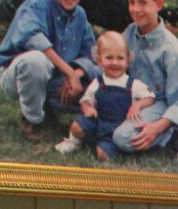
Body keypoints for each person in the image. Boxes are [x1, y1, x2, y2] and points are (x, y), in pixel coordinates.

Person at [0, 0, 100, 142]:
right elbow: (33, 39)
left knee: (102, 79)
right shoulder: (38, 3)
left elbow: (91, 56)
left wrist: (77, 73)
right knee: (36, 61)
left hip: (57, 78)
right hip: (16, 75)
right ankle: (33, 120)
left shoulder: (81, 16)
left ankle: (96, 122)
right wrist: (69, 72)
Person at [110, 0, 178, 156]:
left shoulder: (171, 51)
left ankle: (173, 132)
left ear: (158, 5)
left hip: (163, 101)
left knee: (122, 138)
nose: (135, 9)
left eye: (143, 2)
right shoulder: (131, 32)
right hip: (137, 98)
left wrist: (156, 128)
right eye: (131, 1)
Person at [55, 32, 156, 161]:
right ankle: (73, 142)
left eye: (120, 58)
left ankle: (112, 148)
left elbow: (150, 97)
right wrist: (87, 108)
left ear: (128, 59)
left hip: (117, 129)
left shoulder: (132, 84)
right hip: (98, 121)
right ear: (99, 60)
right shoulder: (98, 82)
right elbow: (85, 100)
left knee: (102, 155)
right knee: (76, 127)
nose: (115, 63)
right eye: (109, 58)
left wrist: (137, 105)